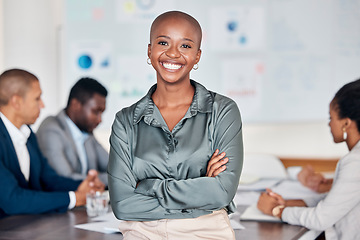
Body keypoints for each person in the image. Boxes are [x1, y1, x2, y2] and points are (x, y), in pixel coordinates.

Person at [107, 11, 243, 240]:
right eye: (163, 42)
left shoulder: (223, 111)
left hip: (205, 233)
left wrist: (148, 186)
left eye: (185, 46)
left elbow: (221, 192)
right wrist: (201, 189)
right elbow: (122, 205)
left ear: (198, 56)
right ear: (149, 50)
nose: (172, 53)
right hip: (142, 234)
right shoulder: (125, 121)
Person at [257, 78, 360, 240]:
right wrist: (286, 203)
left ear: (346, 123)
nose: (329, 125)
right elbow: (332, 201)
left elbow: (320, 218)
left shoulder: (355, 162)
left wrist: (276, 211)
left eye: (330, 118)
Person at [0, 69, 105, 218]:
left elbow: (49, 180)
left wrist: (83, 187)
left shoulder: (28, 135)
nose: (42, 105)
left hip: (27, 226)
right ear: (16, 102)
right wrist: (74, 198)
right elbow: (12, 199)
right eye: (37, 98)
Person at [36, 78, 109, 185]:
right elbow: (65, 178)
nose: (100, 120)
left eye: (101, 113)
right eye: (95, 112)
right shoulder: (51, 129)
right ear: (75, 105)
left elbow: (114, 167)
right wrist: (118, 181)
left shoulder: (86, 131)